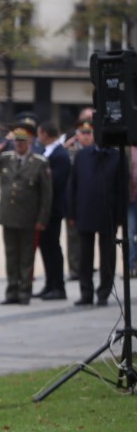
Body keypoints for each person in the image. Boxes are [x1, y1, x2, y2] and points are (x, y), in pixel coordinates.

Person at [0, 123, 52, 305]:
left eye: (22, 141)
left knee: (26, 257)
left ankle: (24, 291)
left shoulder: (39, 163)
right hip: (9, 216)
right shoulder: (5, 159)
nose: (18, 145)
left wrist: (42, 219)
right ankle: (11, 291)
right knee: (11, 256)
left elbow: (46, 195)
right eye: (16, 141)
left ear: (29, 142)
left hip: (28, 217)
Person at [67, 121, 124, 307]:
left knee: (107, 256)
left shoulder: (116, 156)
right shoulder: (83, 155)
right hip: (85, 210)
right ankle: (86, 293)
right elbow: (73, 186)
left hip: (108, 213)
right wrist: (71, 213)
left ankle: (104, 293)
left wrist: (120, 217)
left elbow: (122, 189)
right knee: (85, 256)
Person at [36, 121, 70, 300]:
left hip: (53, 208)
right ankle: (49, 283)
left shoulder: (60, 154)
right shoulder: (45, 152)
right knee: (45, 247)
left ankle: (58, 286)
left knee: (53, 247)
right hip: (42, 208)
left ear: (45, 134)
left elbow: (55, 182)